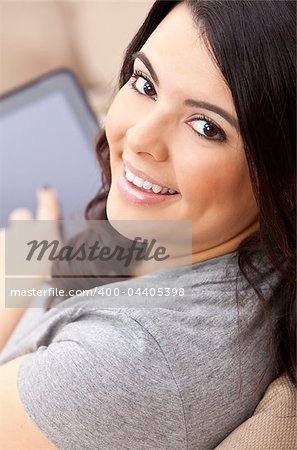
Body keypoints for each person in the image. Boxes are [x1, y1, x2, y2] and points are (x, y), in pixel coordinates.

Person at [0, 1, 295, 449]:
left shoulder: (132, 364)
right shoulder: (219, 249)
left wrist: (16, 281)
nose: (138, 137)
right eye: (145, 83)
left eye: (206, 127)